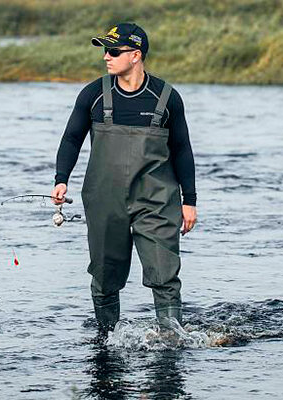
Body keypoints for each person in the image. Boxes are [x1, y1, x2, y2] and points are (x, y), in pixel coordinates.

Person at [51, 23, 197, 332]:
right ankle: (106, 340)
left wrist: (190, 201)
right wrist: (61, 179)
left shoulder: (167, 98)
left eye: (113, 51)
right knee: (105, 276)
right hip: (104, 201)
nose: (106, 56)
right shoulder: (93, 94)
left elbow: (182, 150)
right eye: (104, 50)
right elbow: (70, 139)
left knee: (164, 273)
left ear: (135, 55)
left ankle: (172, 340)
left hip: (157, 201)